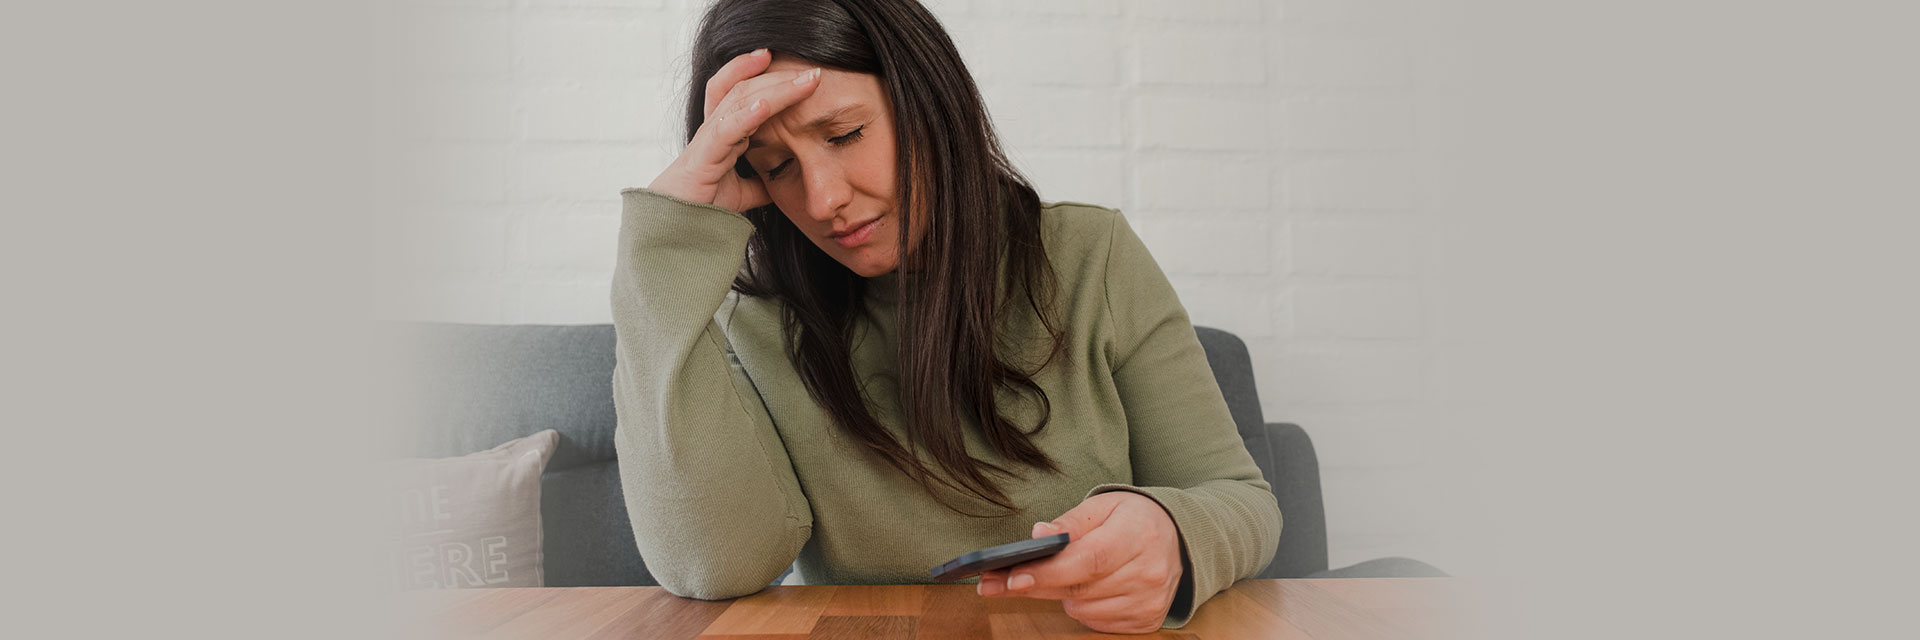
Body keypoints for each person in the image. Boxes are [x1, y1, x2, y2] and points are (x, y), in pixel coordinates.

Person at [610, 0, 1280, 633]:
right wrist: (663, 251)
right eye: (777, 167)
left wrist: (1173, 532)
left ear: (926, 100)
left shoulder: (1090, 259)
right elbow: (717, 564)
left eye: (844, 134)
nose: (822, 199)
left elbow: (1239, 498)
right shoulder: (753, 321)